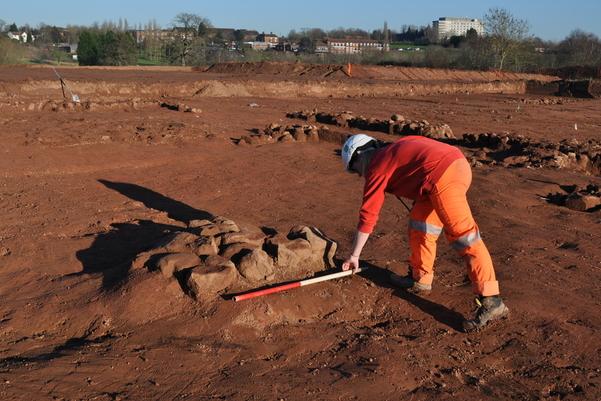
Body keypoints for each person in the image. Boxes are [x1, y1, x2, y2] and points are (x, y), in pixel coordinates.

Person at [340, 134, 509, 332]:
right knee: (420, 225)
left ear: (360, 155)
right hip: (450, 167)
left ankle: (491, 300)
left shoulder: (377, 164)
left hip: (443, 175)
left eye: (354, 169)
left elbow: (368, 215)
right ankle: (420, 278)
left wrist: (354, 255)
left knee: (465, 237)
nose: (359, 175)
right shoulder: (391, 151)